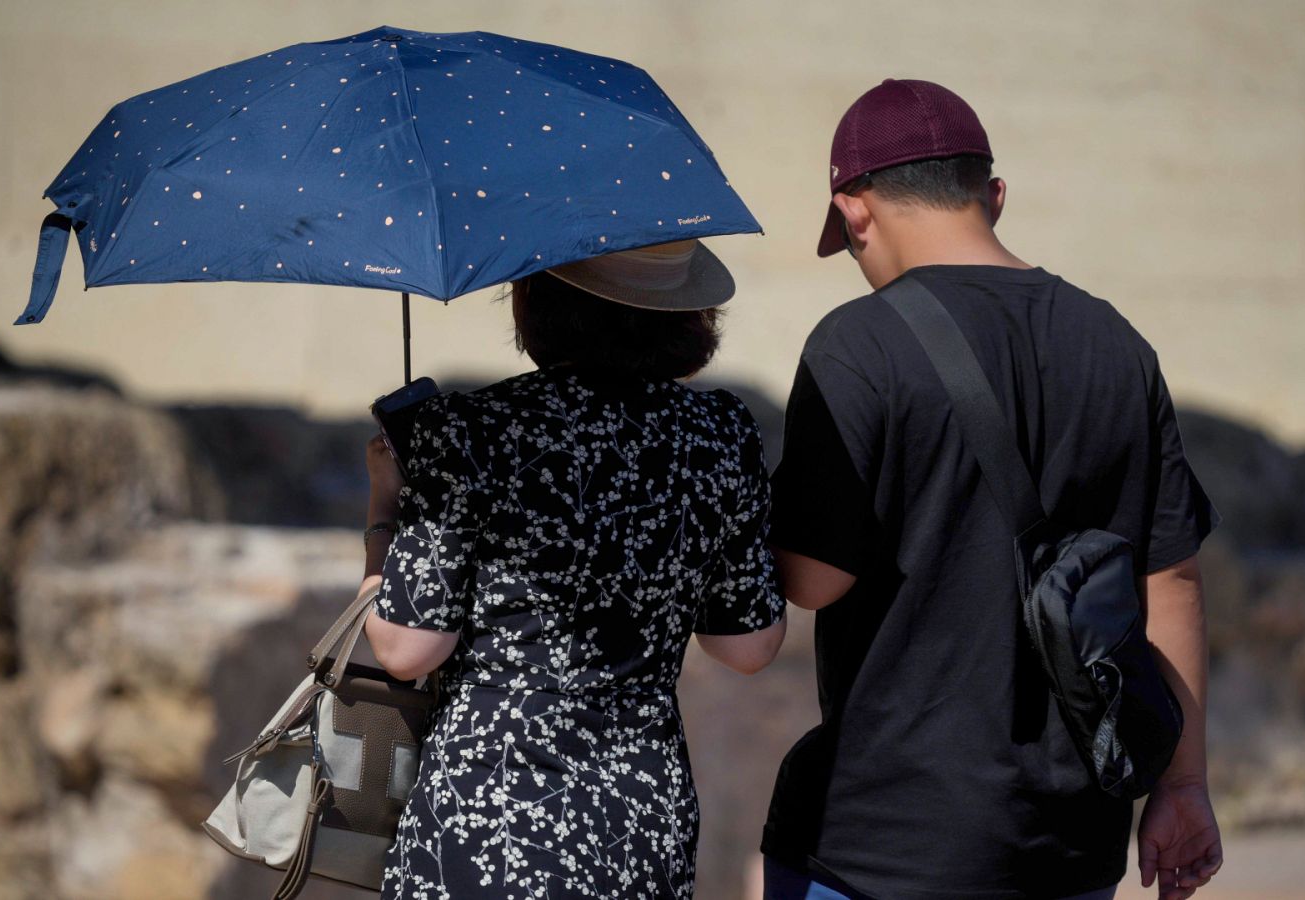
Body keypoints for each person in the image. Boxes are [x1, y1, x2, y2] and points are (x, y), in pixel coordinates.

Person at [761, 80, 1223, 900]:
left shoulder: (856, 347)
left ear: (855, 211)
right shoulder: (1117, 343)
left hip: (881, 844)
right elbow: (1172, 581)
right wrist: (1182, 786)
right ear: (994, 196)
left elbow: (810, 580)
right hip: (1069, 847)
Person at [358, 239, 788, 900]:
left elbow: (406, 648)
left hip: (487, 813)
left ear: (538, 298)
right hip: (638, 818)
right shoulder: (721, 433)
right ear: (683, 313)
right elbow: (748, 645)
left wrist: (384, 508)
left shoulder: (471, 429)